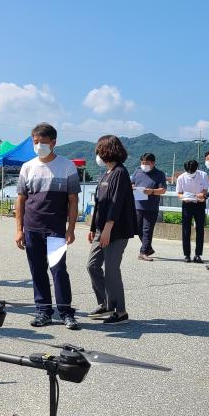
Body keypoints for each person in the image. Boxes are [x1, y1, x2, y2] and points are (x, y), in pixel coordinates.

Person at [14, 123, 81, 330]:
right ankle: (43, 311)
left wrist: (71, 229)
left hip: (56, 228)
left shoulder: (67, 166)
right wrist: (19, 229)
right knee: (37, 270)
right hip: (32, 226)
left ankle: (66, 312)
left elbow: (73, 200)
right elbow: (21, 200)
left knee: (59, 270)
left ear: (53, 142)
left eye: (43, 142)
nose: (39, 145)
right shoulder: (27, 167)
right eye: (36, 142)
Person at [86, 135, 136, 323]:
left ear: (106, 151)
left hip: (116, 230)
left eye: (99, 150)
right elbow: (100, 204)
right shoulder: (106, 174)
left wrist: (107, 229)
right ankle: (106, 303)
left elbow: (115, 203)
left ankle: (120, 310)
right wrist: (93, 227)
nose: (97, 154)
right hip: (101, 229)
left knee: (112, 270)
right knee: (92, 265)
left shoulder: (120, 173)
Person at [130, 152, 166, 261]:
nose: (144, 165)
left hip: (151, 207)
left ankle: (143, 252)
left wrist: (152, 191)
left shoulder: (159, 174)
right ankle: (148, 248)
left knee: (147, 230)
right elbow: (131, 183)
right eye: (142, 162)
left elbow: (163, 190)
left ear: (153, 163)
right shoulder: (137, 171)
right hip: (137, 206)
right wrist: (133, 187)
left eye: (147, 163)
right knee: (138, 230)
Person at [175, 159, 209, 263]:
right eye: (189, 171)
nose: (191, 173)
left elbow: (205, 189)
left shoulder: (203, 175)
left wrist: (202, 194)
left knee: (200, 229)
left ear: (196, 168)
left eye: (192, 171)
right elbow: (179, 193)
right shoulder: (181, 177)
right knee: (186, 230)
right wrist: (184, 197)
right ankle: (187, 255)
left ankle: (198, 254)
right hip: (187, 204)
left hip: (199, 203)